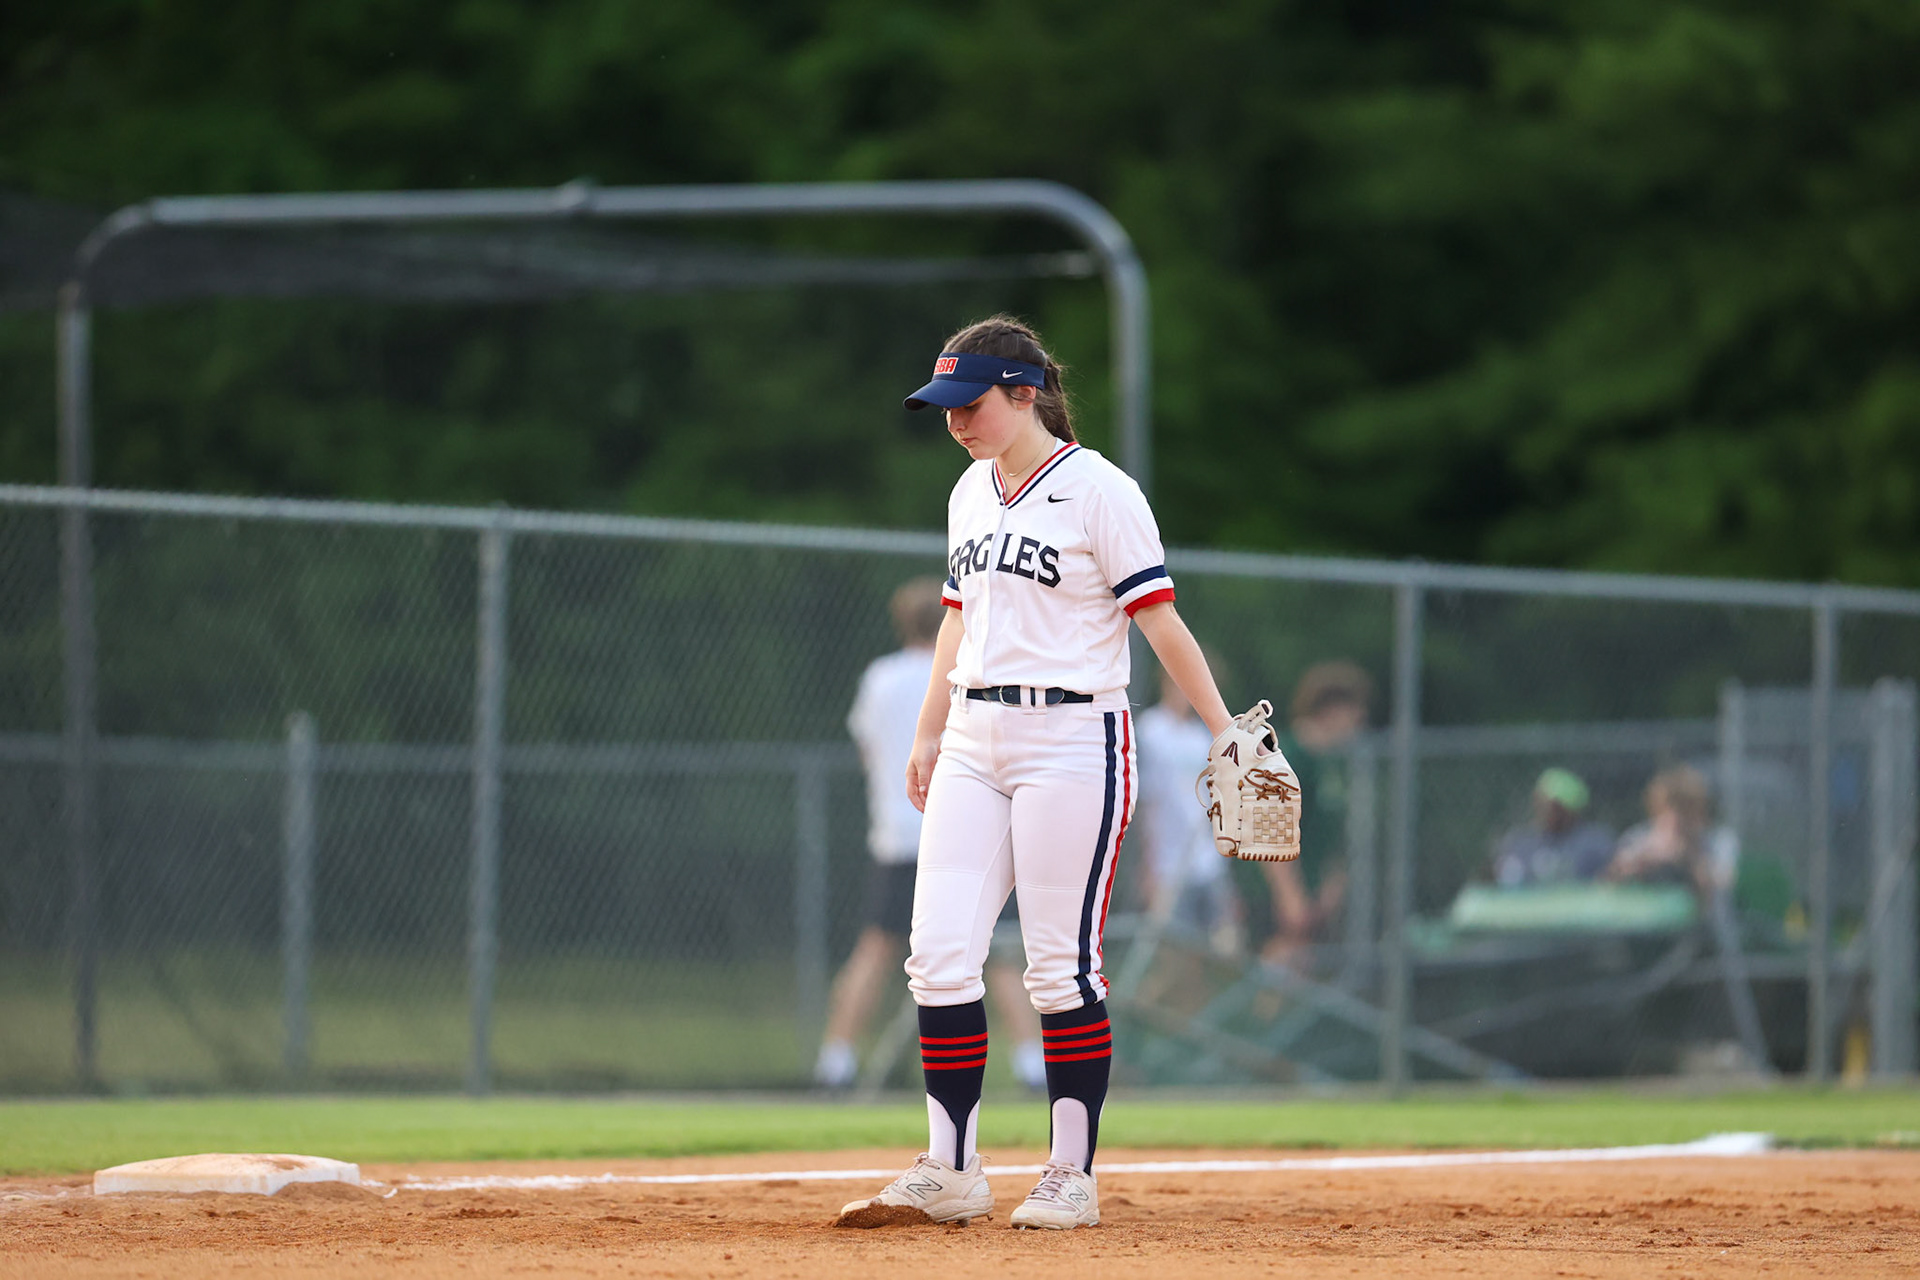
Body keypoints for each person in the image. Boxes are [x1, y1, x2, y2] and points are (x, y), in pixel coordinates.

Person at [836, 316, 1251, 1232]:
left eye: (970, 403)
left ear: (1025, 394)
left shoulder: (1101, 490)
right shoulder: (969, 491)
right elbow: (956, 619)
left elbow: (1159, 619)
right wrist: (928, 732)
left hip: (1073, 737)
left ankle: (1071, 1173)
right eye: (945, 408)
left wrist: (1224, 731)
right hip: (974, 736)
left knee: (1059, 965)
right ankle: (952, 1170)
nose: (956, 422)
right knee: (938, 955)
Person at [815, 579, 1046, 1093]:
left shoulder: (880, 678)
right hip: (967, 833)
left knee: (875, 951)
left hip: (898, 836)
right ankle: (1032, 1065)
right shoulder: (968, 670)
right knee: (999, 955)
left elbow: (870, 751)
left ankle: (835, 1062)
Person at [1251, 661, 1371, 968]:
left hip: (1315, 893)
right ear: (1330, 710)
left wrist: (1332, 883)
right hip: (1280, 896)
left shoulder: (1333, 763)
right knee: (1278, 974)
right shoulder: (1289, 757)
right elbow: (1268, 828)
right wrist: (1289, 895)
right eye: (1352, 710)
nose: (1359, 719)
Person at [1134, 658, 1243, 958]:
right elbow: (1148, 802)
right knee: (1172, 954)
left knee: (1225, 946)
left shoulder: (1202, 736)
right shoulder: (1151, 731)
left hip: (1207, 861)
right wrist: (1149, 867)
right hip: (1168, 865)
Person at [1604, 764, 1737, 898]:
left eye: (1685, 810)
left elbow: (1723, 883)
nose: (1675, 819)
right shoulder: (1637, 837)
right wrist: (1643, 860)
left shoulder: (1718, 841)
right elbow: (1608, 883)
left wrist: (1687, 858)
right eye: (1668, 809)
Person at [1490, 767, 1614, 887]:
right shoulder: (1519, 843)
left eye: (1556, 806)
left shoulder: (1595, 844)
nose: (1547, 810)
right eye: (1541, 802)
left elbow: (1608, 882)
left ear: (1571, 810)